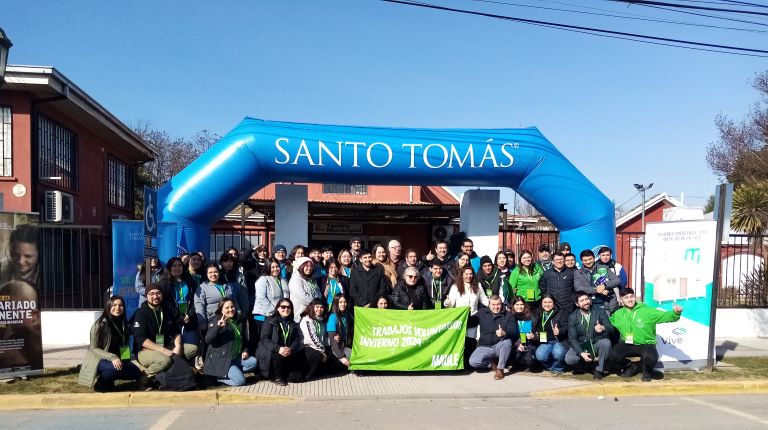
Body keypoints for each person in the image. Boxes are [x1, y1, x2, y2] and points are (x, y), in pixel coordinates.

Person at [607, 288, 683, 382]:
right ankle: (630, 367)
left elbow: (666, 316)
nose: (630, 299)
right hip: (627, 343)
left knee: (651, 358)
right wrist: (600, 327)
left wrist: (676, 312)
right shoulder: (618, 314)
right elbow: (608, 324)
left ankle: (647, 372)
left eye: (631, 296)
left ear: (635, 297)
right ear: (622, 300)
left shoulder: (647, 311)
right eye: (626, 297)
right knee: (611, 355)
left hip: (645, 343)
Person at [78, 295, 141, 391]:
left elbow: (125, 344)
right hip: (100, 359)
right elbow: (93, 348)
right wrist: (112, 357)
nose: (117, 308)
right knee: (115, 369)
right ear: (108, 306)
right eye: (114, 305)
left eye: (121, 305)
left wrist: (126, 360)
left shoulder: (124, 325)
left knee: (136, 372)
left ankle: (110, 380)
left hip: (117, 360)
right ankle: (102, 383)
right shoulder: (99, 325)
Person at [133, 285, 196, 376]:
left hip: (165, 347)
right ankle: (145, 377)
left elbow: (176, 331)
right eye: (151, 294)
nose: (155, 296)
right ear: (146, 296)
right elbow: (141, 339)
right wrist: (163, 351)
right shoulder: (141, 313)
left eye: (158, 293)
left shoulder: (167, 310)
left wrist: (177, 346)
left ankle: (170, 373)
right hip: (146, 350)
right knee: (165, 360)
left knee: (192, 349)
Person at [203, 298, 257, 386]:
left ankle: (233, 372)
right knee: (240, 381)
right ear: (221, 310)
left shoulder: (238, 320)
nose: (230, 309)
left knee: (253, 362)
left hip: (235, 357)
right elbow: (208, 340)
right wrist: (218, 327)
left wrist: (245, 350)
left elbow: (244, 339)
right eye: (227, 308)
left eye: (232, 307)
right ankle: (218, 378)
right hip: (222, 359)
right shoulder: (216, 321)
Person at [444, 266, 489, 366]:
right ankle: (460, 363)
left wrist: (494, 304)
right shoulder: (455, 287)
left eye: (470, 274)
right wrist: (447, 302)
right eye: (466, 274)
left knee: (471, 341)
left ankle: (469, 363)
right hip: (460, 318)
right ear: (462, 275)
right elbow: (450, 303)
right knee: (461, 341)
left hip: (473, 317)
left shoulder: (478, 286)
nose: (469, 276)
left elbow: (484, 300)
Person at [565, 292, 615, 379]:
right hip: (582, 344)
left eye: (587, 299)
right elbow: (572, 339)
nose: (585, 302)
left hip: (596, 342)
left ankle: (599, 370)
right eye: (582, 301)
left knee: (606, 343)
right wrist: (581, 353)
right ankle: (584, 364)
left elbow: (611, 329)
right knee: (569, 359)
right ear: (577, 304)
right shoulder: (573, 316)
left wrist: (603, 328)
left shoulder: (600, 312)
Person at [468, 295, 518, 380]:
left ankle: (500, 369)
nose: (496, 307)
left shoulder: (509, 315)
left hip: (499, 345)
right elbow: (470, 322)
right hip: (484, 346)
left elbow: (514, 331)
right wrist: (464, 314)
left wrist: (504, 333)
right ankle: (492, 363)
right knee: (473, 362)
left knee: (507, 342)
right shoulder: (482, 312)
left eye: (498, 304)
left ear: (501, 304)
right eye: (493, 304)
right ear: (489, 305)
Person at [256, 298, 303, 386]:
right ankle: (275, 377)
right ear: (278, 308)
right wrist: (278, 348)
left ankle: (282, 374)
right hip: (271, 352)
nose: (286, 309)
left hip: (287, 353)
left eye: (289, 307)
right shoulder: (270, 321)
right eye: (283, 307)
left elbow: (297, 339)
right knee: (277, 355)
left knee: (296, 377)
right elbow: (264, 339)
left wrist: (291, 349)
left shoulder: (293, 324)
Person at [158, 257, 198, 357]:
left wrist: (190, 314)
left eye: (179, 265)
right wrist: (178, 315)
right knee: (176, 346)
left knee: (192, 346)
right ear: (169, 268)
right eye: (174, 266)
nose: (177, 268)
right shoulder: (164, 283)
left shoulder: (189, 280)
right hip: (172, 320)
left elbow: (195, 299)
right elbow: (166, 303)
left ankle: (188, 367)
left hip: (189, 318)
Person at [250, 259, 289, 355]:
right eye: (273, 267)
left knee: (273, 341)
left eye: (277, 267)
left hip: (277, 316)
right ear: (268, 268)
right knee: (262, 342)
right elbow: (262, 298)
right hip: (263, 316)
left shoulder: (282, 279)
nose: (276, 269)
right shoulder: (263, 279)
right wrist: (275, 311)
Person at [300, 298, 337, 381]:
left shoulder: (322, 320)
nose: (319, 309)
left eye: (321, 307)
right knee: (318, 356)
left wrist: (333, 340)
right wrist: (322, 351)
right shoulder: (307, 320)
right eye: (317, 307)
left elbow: (324, 338)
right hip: (308, 348)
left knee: (333, 358)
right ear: (312, 307)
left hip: (320, 347)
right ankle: (307, 375)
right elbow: (311, 339)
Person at [195, 263, 238, 333]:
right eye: (210, 272)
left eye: (215, 272)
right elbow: (199, 306)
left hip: (230, 318)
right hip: (213, 320)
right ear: (206, 274)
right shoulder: (202, 287)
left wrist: (238, 312)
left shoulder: (227, 285)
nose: (213, 274)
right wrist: (202, 322)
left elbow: (234, 300)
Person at [534, 294, 568, 373]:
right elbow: (534, 327)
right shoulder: (538, 313)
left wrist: (560, 330)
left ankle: (559, 368)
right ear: (541, 303)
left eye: (550, 302)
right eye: (545, 302)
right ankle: (552, 367)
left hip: (559, 340)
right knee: (540, 356)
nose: (547, 304)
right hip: (545, 341)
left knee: (558, 354)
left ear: (554, 303)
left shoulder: (560, 312)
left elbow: (567, 327)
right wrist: (534, 335)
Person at [539, 253, 575, 324]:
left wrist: (571, 302)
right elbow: (542, 288)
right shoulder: (547, 273)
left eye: (561, 259)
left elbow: (575, 289)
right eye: (557, 259)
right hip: (553, 307)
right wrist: (548, 300)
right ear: (552, 261)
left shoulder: (571, 273)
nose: (559, 261)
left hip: (567, 306)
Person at [0, 224, 39, 289]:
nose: (20, 261)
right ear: (10, 250)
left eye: (28, 256)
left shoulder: (46, 272)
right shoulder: (2, 266)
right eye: (15, 254)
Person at [288, 257, 322, 323]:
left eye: (311, 266)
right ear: (301, 266)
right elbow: (302, 297)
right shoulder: (296, 279)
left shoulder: (312, 280)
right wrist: (316, 304)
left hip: (313, 315)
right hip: (300, 316)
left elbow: (319, 294)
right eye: (306, 266)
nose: (309, 268)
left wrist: (318, 304)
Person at [510, 296, 538, 370]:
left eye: (521, 304)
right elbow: (508, 335)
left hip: (529, 343)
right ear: (513, 306)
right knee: (516, 358)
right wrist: (517, 344)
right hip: (516, 344)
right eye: (517, 304)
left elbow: (537, 333)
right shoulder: (510, 317)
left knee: (530, 361)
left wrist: (534, 336)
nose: (519, 307)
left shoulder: (531, 316)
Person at [327, 294, 353, 369]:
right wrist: (341, 357)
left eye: (344, 302)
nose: (343, 304)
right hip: (337, 349)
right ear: (336, 303)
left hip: (346, 346)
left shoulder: (348, 315)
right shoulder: (333, 317)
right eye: (340, 302)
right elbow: (333, 341)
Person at [220, 253, 249, 320]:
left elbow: (243, 295)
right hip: (226, 312)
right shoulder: (220, 276)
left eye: (230, 261)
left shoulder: (239, 275)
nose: (228, 263)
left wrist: (245, 311)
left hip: (241, 310)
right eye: (226, 261)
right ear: (222, 263)